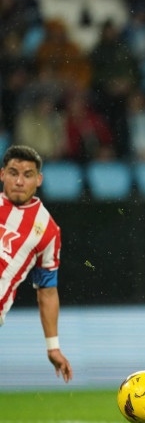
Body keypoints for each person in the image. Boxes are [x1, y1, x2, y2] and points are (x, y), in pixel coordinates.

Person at [0, 145, 72, 383]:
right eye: (13, 173)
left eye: (27, 175)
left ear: (39, 179)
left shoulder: (48, 230)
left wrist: (53, 346)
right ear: (2, 174)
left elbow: (47, 291)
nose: (19, 181)